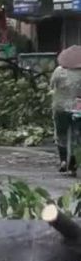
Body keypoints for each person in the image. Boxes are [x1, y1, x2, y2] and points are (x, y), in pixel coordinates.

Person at [51, 45, 81, 173]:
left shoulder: (59, 70)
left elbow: (52, 85)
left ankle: (63, 160)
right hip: (78, 109)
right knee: (77, 136)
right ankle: (73, 163)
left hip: (60, 107)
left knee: (61, 134)